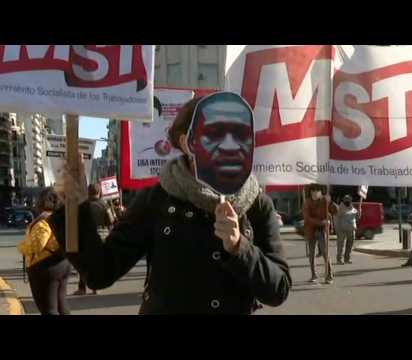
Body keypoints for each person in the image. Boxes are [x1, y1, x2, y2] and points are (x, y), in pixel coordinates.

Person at [48, 95, 291, 314]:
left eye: (240, 135)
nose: (229, 145)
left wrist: (240, 248)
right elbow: (100, 272)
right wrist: (74, 206)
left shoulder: (256, 204)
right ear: (187, 143)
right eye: (215, 134)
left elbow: (278, 290)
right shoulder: (157, 199)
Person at [17, 188, 71, 315]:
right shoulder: (62, 217)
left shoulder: (44, 220)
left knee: (49, 309)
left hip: (44, 266)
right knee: (62, 305)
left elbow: (38, 244)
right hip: (63, 262)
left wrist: (21, 247)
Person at [187, 92, 254, 195]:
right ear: (191, 142)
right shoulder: (159, 202)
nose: (230, 147)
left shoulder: (262, 207)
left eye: (242, 135)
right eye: (214, 134)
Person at [73, 183, 115, 296]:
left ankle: (82, 288)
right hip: (102, 237)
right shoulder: (105, 205)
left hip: (86, 238)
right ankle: (96, 288)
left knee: (84, 264)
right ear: (99, 192)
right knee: (98, 264)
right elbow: (111, 221)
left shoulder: (82, 206)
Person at [303, 185, 337, 284]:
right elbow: (307, 218)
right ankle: (313, 275)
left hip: (322, 231)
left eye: (317, 191)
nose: (315, 193)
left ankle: (329, 276)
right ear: (310, 192)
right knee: (312, 254)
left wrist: (331, 202)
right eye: (313, 191)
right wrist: (322, 222)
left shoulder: (324, 201)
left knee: (325, 253)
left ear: (320, 192)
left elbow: (336, 211)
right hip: (311, 230)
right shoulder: (307, 202)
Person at [335, 195, 361, 265]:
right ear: (343, 200)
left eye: (349, 200)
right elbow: (337, 217)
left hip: (351, 229)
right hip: (341, 230)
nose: (348, 201)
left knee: (349, 245)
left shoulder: (352, 208)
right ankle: (339, 259)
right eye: (346, 200)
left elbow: (357, 217)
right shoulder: (340, 208)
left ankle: (347, 258)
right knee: (340, 245)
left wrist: (359, 212)